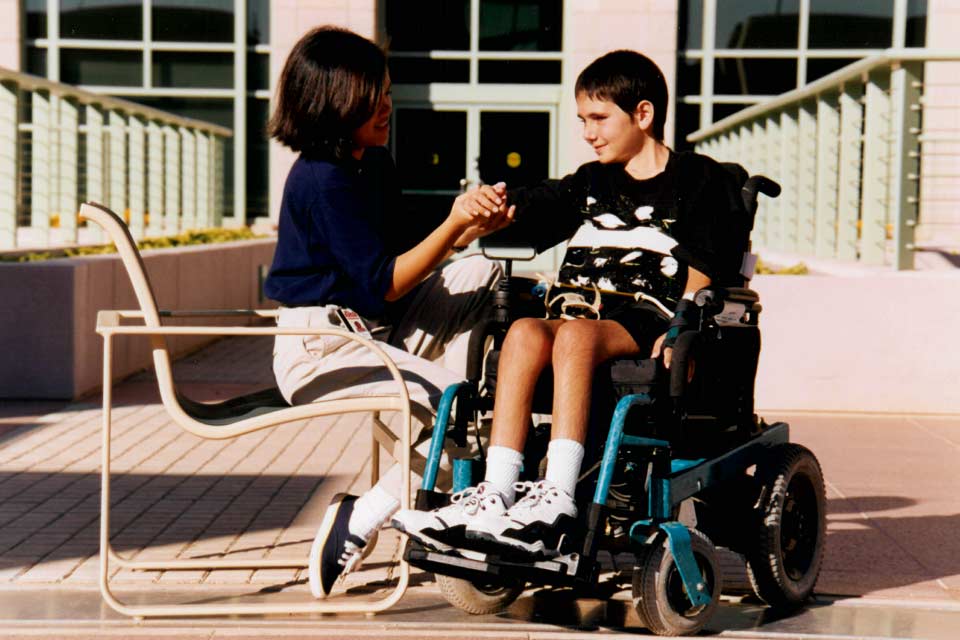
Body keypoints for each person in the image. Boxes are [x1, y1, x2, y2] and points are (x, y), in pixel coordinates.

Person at [392, 50, 749, 558]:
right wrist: (490, 204)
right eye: (583, 120)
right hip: (577, 310)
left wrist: (682, 326)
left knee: (575, 335)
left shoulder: (701, 180)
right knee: (523, 332)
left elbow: (709, 264)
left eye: (599, 119)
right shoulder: (591, 182)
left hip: (645, 315)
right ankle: (497, 491)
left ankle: (557, 494)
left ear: (642, 115)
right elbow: (534, 203)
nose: (588, 132)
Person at [264, 26, 514, 597]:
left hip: (374, 329)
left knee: (483, 269)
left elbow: (407, 258)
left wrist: (471, 229)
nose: (386, 104)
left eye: (385, 89)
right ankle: (364, 515)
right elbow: (385, 283)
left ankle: (431, 454)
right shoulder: (321, 180)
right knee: (461, 410)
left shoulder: (370, 164)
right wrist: (453, 223)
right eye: (370, 94)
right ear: (330, 100)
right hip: (321, 348)